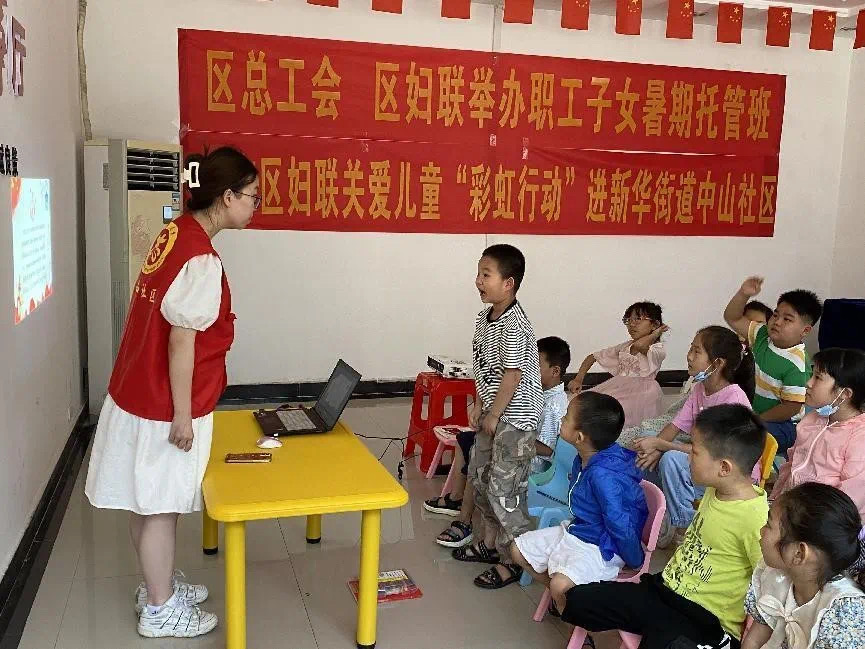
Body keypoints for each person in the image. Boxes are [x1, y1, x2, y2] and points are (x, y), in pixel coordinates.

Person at [84, 147, 259, 638]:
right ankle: (160, 610)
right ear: (227, 196)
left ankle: (155, 584)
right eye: (252, 196)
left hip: (135, 388)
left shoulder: (176, 232)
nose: (255, 205)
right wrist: (182, 415)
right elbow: (182, 340)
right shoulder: (201, 259)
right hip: (163, 404)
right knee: (160, 505)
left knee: (144, 500)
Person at [559, 404, 769, 649]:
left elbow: (767, 583)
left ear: (724, 468)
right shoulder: (716, 490)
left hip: (703, 618)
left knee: (666, 642)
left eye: (695, 452)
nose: (688, 457)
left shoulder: (755, 519)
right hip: (664, 591)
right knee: (577, 601)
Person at [451, 244, 544, 589]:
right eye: (478, 273)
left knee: (506, 493)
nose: (478, 281)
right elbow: (483, 369)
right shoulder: (484, 319)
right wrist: (479, 406)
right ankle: (490, 545)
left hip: (515, 421)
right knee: (480, 481)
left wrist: (494, 414)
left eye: (486, 275)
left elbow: (512, 375)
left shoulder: (515, 325)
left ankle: (516, 562)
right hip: (492, 415)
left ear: (508, 283)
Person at [510, 392, 648, 612]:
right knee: (518, 550)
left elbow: (620, 522)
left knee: (559, 584)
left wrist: (635, 560)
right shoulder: (584, 458)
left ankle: (573, 612)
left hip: (603, 546)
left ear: (580, 437)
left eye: (566, 418)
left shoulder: (604, 476)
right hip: (580, 531)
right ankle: (568, 601)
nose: (561, 420)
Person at [428, 336, 570, 549]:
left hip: (530, 461)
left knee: (480, 460)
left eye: (535, 365)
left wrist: (504, 439)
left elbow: (546, 449)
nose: (528, 370)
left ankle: (466, 523)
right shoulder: (535, 391)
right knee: (467, 441)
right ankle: (457, 500)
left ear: (555, 371)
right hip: (516, 446)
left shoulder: (553, 406)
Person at [633, 326, 754, 546]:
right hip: (704, 462)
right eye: (691, 349)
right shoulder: (700, 389)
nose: (689, 356)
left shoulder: (733, 399)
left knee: (671, 459)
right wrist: (655, 447)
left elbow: (712, 454)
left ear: (717, 363)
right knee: (647, 441)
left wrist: (661, 446)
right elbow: (675, 426)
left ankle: (685, 527)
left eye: (696, 351)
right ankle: (659, 508)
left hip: (727, 474)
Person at [743, 482, 865, 649]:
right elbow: (754, 640)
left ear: (799, 553)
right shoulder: (775, 577)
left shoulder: (842, 614)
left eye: (768, 525)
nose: (761, 531)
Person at [725, 277, 822, 455]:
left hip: (784, 424)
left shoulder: (797, 365)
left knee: (742, 437)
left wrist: (756, 419)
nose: (777, 322)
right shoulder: (762, 335)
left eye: (787, 319)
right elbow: (732, 317)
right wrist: (743, 294)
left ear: (805, 330)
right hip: (753, 411)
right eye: (776, 315)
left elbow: (791, 407)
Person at [772, 348, 865, 519]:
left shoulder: (859, 439)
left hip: (819, 522)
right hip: (791, 510)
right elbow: (792, 466)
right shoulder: (812, 420)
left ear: (844, 394)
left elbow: (849, 501)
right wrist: (776, 499)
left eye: (818, 378)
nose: (808, 383)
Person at [567, 302, 667, 429]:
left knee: (617, 415)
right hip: (619, 387)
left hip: (644, 393)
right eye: (628, 320)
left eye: (638, 319)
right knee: (582, 404)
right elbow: (592, 357)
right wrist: (578, 379)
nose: (632, 324)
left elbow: (639, 346)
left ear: (655, 325)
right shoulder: (625, 346)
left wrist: (655, 334)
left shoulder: (657, 349)